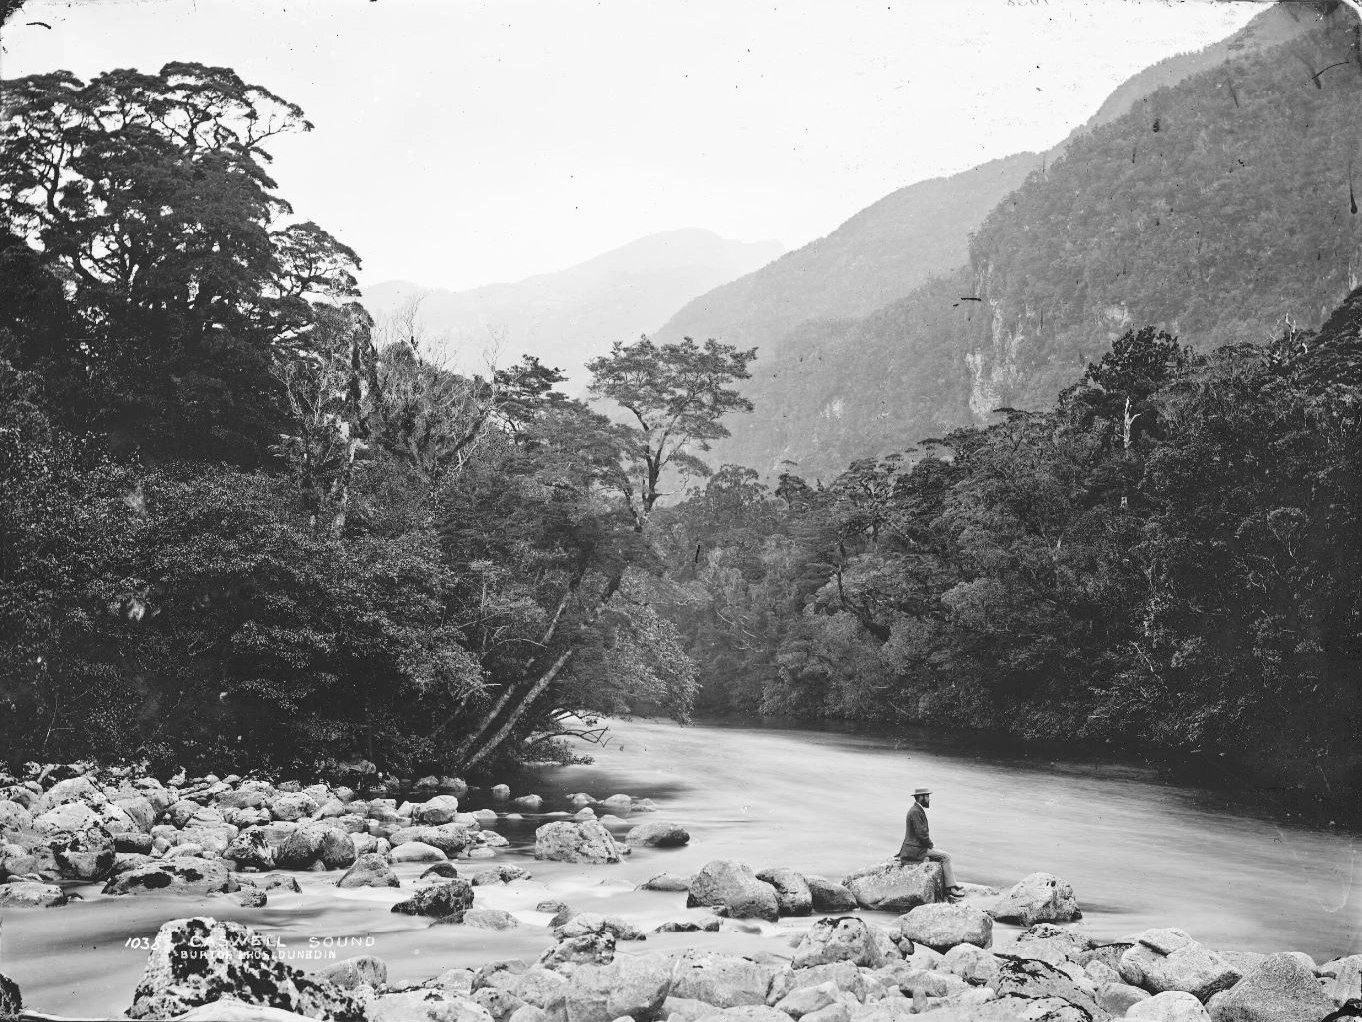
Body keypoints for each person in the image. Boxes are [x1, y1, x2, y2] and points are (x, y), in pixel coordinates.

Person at [897, 786, 965, 902]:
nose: (929, 799)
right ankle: (950, 888)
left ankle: (952, 884)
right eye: (927, 796)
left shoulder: (916, 810)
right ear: (920, 797)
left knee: (941, 854)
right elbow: (921, 834)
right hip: (916, 850)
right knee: (946, 856)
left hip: (916, 847)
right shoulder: (915, 812)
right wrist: (930, 844)